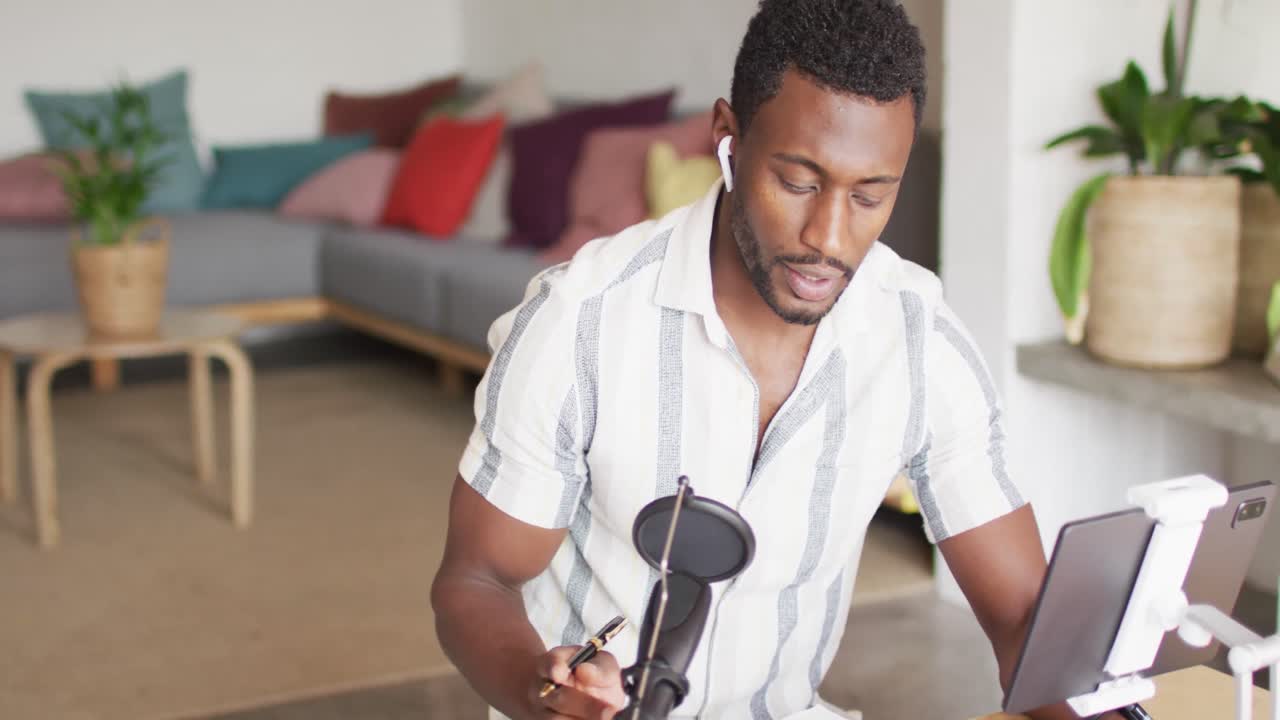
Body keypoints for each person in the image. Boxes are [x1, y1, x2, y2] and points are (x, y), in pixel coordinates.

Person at [432, 1, 1090, 718]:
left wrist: (1097, 697)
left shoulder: (919, 336)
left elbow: (1023, 615)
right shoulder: (579, 321)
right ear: (728, 138)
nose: (829, 237)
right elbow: (477, 581)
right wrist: (542, 691)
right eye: (799, 183)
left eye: (870, 196)